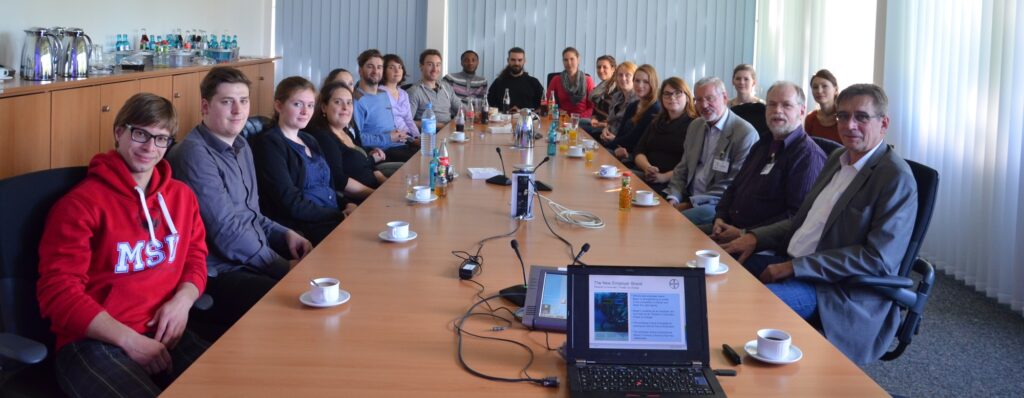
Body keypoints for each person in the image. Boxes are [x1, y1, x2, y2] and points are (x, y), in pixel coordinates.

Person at [719, 84, 918, 365]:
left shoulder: (895, 178)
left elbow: (878, 259)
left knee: (753, 306)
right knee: (718, 276)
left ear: (883, 123)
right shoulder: (838, 158)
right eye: (843, 116)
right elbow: (802, 222)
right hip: (792, 260)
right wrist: (753, 237)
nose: (850, 125)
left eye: (861, 117)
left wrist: (795, 267)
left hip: (836, 290)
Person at [38, 93, 209, 397]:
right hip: (92, 342)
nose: (149, 147)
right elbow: (58, 294)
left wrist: (184, 300)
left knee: (235, 382)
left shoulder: (181, 197)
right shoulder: (80, 205)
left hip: (163, 333)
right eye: (140, 133)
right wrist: (130, 341)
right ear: (119, 132)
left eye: (161, 139)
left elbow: (195, 256)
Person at [167, 67, 312, 341]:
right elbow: (226, 232)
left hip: (251, 259)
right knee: (294, 303)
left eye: (243, 101)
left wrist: (285, 235)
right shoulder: (194, 154)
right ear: (205, 106)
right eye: (227, 102)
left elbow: (252, 215)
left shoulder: (242, 145)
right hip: (218, 273)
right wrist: (282, 266)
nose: (238, 110)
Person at [706, 81, 826, 239]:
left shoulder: (807, 156)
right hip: (730, 228)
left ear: (802, 111)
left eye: (786, 105)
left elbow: (797, 217)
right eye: (772, 104)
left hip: (762, 243)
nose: (777, 111)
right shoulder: (762, 144)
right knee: (683, 236)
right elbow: (734, 187)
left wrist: (747, 235)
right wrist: (720, 218)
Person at [251, 76, 355, 245]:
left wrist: (347, 204)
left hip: (332, 217)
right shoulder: (270, 144)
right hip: (304, 228)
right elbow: (290, 203)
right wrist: (337, 214)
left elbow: (327, 187)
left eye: (310, 105)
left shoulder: (309, 139)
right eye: (297, 104)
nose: (305, 112)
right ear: (278, 106)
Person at [665, 76, 758, 226]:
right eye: (699, 100)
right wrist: (673, 198)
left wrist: (689, 204)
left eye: (710, 98)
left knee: (672, 221)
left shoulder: (745, 133)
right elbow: (682, 168)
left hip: (717, 205)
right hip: (686, 197)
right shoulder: (695, 126)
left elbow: (733, 183)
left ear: (725, 97)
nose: (704, 105)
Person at [308, 81, 387, 198]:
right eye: (338, 102)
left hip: (376, 189)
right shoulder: (323, 137)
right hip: (361, 199)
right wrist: (377, 195)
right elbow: (338, 179)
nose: (345, 108)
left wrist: (385, 183)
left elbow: (365, 163)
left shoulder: (345, 131)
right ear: (324, 107)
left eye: (349, 103)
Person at [632, 77, 699, 194]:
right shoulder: (656, 121)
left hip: (673, 182)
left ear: (688, 97)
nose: (672, 98)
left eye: (678, 93)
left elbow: (691, 165)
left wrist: (663, 177)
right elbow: (638, 150)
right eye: (667, 94)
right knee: (621, 181)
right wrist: (647, 168)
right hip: (647, 175)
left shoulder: (695, 125)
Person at [352, 49, 418, 162]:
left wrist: (411, 139)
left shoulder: (383, 94)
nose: (375, 71)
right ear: (360, 70)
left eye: (379, 67)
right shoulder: (357, 99)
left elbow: (393, 126)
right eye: (370, 66)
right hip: (384, 151)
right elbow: (357, 138)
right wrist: (388, 138)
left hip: (401, 144)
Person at [607, 64, 662, 161]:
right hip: (624, 150)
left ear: (653, 84)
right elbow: (620, 134)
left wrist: (606, 145)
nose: (640, 85)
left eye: (645, 82)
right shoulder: (633, 106)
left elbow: (633, 139)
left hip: (640, 157)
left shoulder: (655, 108)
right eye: (637, 81)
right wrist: (616, 148)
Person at [407, 49, 462, 125]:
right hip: (429, 134)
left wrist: (474, 112)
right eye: (430, 64)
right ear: (421, 66)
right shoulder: (414, 92)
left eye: (438, 65)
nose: (435, 69)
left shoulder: (446, 87)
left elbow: (460, 108)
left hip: (450, 132)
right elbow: (408, 122)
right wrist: (439, 126)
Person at [487, 47, 544, 112]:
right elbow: (489, 105)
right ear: (508, 60)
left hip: (528, 120)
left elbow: (544, 105)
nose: (516, 63)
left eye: (520, 60)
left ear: (524, 61)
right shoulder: (498, 82)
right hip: (504, 120)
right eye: (513, 60)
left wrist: (525, 113)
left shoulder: (534, 82)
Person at [548, 47, 595, 118]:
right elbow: (549, 102)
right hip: (562, 118)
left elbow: (593, 107)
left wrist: (577, 118)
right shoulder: (556, 80)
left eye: (572, 59)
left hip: (582, 119)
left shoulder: (588, 80)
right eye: (565, 60)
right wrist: (557, 111)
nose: (569, 63)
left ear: (578, 60)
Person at [595, 61, 638, 140]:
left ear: (635, 78)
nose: (623, 78)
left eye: (627, 75)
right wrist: (605, 130)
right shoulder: (616, 96)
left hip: (622, 144)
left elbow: (634, 134)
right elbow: (610, 122)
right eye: (620, 75)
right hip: (607, 136)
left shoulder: (637, 101)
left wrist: (615, 139)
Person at [381, 54, 420, 138]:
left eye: (400, 67)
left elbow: (409, 120)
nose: (397, 71)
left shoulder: (404, 93)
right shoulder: (379, 92)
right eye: (391, 67)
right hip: (393, 138)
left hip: (408, 136)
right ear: (383, 71)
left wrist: (418, 137)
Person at [805, 69, 841, 142]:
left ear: (836, 90)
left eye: (824, 86)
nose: (819, 91)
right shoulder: (811, 118)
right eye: (815, 87)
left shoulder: (844, 117)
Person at [586, 55, 617, 132]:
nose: (601, 70)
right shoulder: (601, 87)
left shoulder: (616, 88)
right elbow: (596, 109)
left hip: (608, 128)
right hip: (597, 123)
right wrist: (594, 118)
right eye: (599, 67)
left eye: (604, 67)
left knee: (577, 128)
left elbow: (617, 118)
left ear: (613, 69)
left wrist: (603, 124)